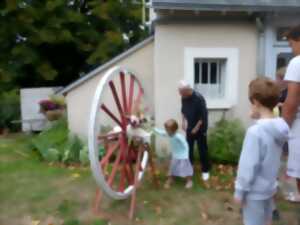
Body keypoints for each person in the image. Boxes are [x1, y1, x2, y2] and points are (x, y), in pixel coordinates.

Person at [234, 78, 289, 225]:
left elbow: (248, 166)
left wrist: (240, 191)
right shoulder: (280, 128)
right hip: (270, 188)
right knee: (266, 221)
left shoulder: (255, 132)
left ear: (256, 102)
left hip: (254, 192)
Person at [179, 80, 210, 181]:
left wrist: (196, 128)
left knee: (202, 150)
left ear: (187, 90)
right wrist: (183, 122)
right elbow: (183, 110)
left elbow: (203, 116)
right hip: (190, 126)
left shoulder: (199, 98)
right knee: (188, 149)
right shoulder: (184, 97)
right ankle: (189, 169)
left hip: (200, 127)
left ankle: (205, 171)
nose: (180, 94)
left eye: (181, 92)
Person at [282, 24, 300, 202]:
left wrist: (282, 128)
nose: (292, 49)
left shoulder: (297, 62)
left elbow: (292, 101)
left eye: (291, 44)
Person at [154, 119, 194, 189]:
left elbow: (185, 144)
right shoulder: (168, 134)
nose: (166, 131)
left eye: (167, 130)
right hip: (175, 155)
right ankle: (171, 179)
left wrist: (186, 154)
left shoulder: (178, 136)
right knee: (172, 167)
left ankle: (189, 181)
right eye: (166, 129)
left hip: (183, 155)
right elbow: (161, 132)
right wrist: (154, 129)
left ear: (173, 130)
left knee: (185, 169)